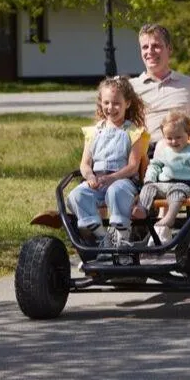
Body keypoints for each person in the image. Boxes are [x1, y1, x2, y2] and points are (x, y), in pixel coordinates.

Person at [66, 76, 148, 255]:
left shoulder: (133, 131)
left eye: (116, 103)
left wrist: (112, 177)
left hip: (124, 180)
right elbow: (85, 164)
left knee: (116, 190)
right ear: (101, 103)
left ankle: (121, 237)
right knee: (77, 194)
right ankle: (103, 237)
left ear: (127, 103)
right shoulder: (94, 132)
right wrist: (90, 177)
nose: (111, 108)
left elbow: (133, 166)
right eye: (107, 103)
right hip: (99, 180)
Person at [131, 111, 190, 244]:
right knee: (149, 188)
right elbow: (154, 166)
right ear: (164, 137)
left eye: (178, 137)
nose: (174, 141)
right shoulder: (164, 151)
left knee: (177, 193)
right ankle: (142, 209)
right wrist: (150, 179)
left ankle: (170, 218)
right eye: (169, 138)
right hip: (164, 184)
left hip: (184, 184)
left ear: (188, 134)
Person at [129, 24, 190, 148]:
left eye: (156, 46)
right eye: (145, 47)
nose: (150, 51)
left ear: (169, 49)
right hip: (144, 152)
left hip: (182, 152)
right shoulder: (129, 89)